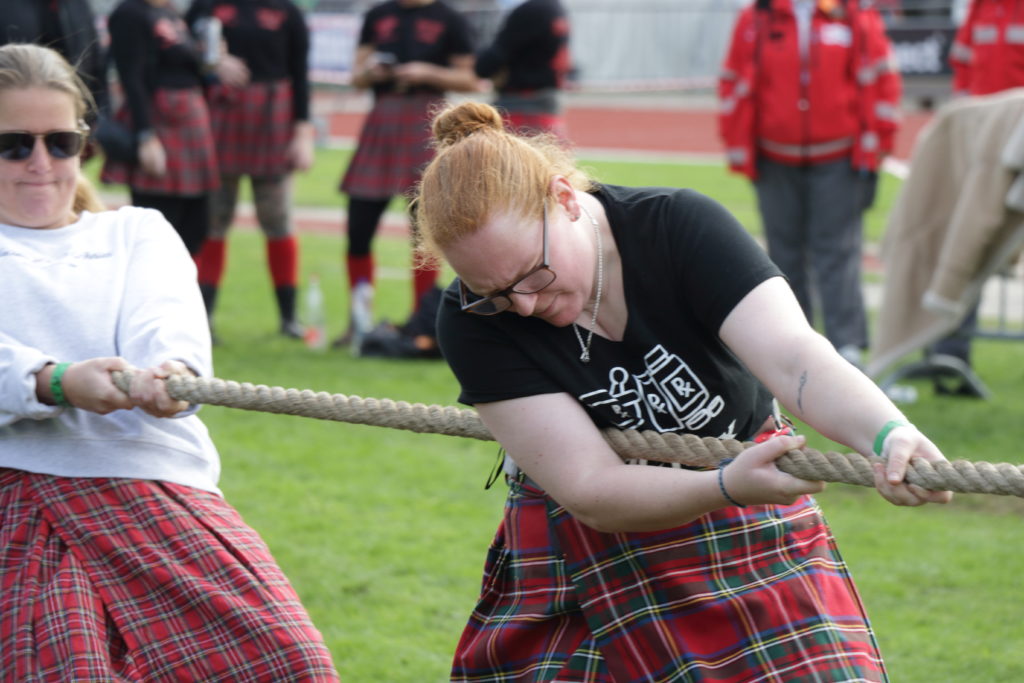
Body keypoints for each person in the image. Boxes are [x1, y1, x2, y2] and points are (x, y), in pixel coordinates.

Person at [413, 100, 952, 681]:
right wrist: (726, 485)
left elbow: (796, 358)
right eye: (493, 293)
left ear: (564, 199)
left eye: (532, 275)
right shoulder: (470, 320)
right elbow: (590, 487)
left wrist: (887, 432)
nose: (522, 306)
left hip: (743, 503)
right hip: (595, 528)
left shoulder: (677, 226)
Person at [0, 43, 338, 681]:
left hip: (155, 486)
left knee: (292, 665)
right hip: (14, 490)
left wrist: (171, 377)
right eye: (13, 145)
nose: (40, 164)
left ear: (84, 143)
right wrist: (54, 382)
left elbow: (168, 327)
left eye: (60, 143)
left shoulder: (137, 232)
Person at [718, 0, 902, 368]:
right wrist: (740, 144)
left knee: (837, 253)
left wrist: (878, 144)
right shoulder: (757, 16)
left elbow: (882, 81)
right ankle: (793, 346)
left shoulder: (853, 13)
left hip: (838, 156)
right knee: (782, 256)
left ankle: (846, 347)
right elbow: (733, 80)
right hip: (774, 157)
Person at [335, 0, 477, 348]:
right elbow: (356, 75)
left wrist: (426, 72)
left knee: (423, 231)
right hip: (383, 120)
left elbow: (470, 78)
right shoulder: (378, 15)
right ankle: (358, 323)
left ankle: (421, 322)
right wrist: (373, 73)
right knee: (358, 228)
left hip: (426, 122)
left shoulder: (449, 18)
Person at [185, 0, 315, 339]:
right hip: (218, 116)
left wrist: (302, 132)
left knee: (277, 219)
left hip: (273, 116)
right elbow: (183, 54)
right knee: (213, 221)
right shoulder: (206, 5)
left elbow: (300, 73)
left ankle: (289, 319)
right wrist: (214, 60)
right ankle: (202, 318)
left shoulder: (287, 10)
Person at [927, 0, 1024, 392]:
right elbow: (964, 75)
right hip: (983, 151)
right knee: (969, 246)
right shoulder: (980, 9)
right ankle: (949, 354)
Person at [100, 0, 220, 258]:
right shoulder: (129, 12)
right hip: (158, 122)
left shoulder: (170, 11)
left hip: (190, 119)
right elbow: (131, 76)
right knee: (158, 224)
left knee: (197, 223)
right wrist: (146, 135)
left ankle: (187, 283)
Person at [474, 0, 571, 139]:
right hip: (546, 103)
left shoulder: (532, 10)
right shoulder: (555, 7)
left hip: (521, 106)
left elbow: (486, 65)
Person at [0, 0, 109, 119]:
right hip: (16, 105)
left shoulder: (76, 5)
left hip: (71, 108)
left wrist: (95, 117)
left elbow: (94, 60)